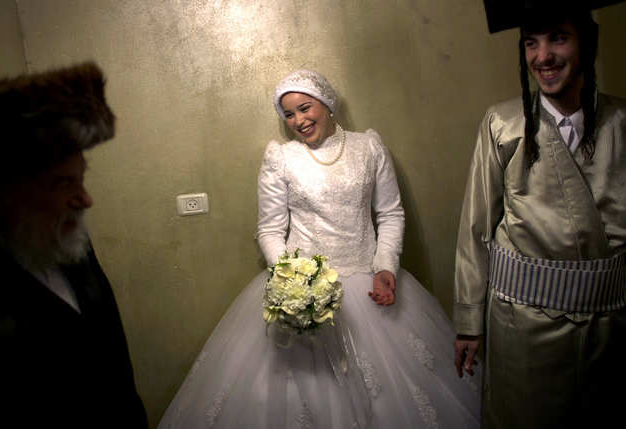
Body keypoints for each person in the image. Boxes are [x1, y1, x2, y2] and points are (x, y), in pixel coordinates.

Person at [159, 69, 480, 428]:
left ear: (327, 104)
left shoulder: (369, 146)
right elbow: (269, 229)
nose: (298, 120)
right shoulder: (281, 158)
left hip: (367, 281)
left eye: (305, 108)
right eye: (289, 114)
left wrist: (386, 267)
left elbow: (390, 213)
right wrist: (291, 282)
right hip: (304, 293)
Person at [453, 0, 626, 428]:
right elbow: (476, 230)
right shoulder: (502, 125)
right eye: (531, 42)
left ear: (586, 44)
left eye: (558, 38)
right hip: (520, 327)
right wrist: (469, 320)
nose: (543, 56)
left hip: (610, 332)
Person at [0, 63, 147, 428]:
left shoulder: (69, 241)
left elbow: (112, 361)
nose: (85, 200)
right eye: (63, 184)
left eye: (81, 179)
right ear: (3, 193)